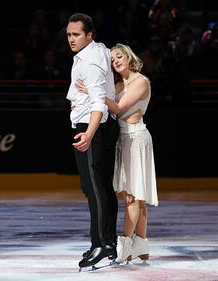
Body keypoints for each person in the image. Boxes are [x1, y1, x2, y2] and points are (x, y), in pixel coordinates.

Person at [75, 43, 159, 264]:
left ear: (129, 56)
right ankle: (141, 244)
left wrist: (95, 92)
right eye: (112, 60)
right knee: (136, 197)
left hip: (136, 139)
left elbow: (119, 108)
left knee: (133, 195)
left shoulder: (141, 81)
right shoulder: (119, 83)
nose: (116, 61)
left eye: (119, 56)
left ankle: (124, 246)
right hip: (124, 139)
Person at [65, 13, 119, 270]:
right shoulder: (99, 51)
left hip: (92, 125)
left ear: (89, 35)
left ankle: (101, 244)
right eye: (69, 34)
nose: (71, 39)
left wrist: (88, 133)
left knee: (94, 188)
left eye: (76, 35)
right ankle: (106, 243)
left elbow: (98, 102)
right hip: (103, 127)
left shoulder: (90, 62)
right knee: (102, 187)